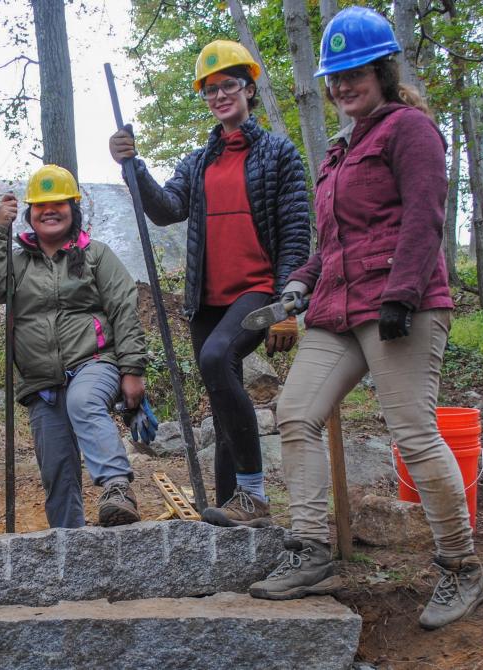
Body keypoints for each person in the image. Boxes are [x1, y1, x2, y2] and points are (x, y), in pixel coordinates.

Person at [247, 7, 483, 630]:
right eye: (333, 76)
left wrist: (402, 295)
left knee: (412, 432)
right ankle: (310, 551)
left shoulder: (410, 130)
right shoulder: (338, 149)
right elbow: (332, 243)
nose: (340, 86)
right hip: (339, 308)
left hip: (400, 307)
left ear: (382, 70)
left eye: (353, 72)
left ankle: (463, 568)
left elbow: (424, 217)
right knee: (294, 413)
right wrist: (300, 283)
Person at [108, 40, 310, 528]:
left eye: (229, 86)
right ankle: (231, 509)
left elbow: (295, 231)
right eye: (210, 89)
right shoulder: (198, 162)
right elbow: (165, 210)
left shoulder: (278, 152)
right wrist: (132, 166)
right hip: (207, 301)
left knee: (218, 358)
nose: (220, 95)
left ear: (249, 89)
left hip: (258, 291)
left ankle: (255, 493)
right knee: (222, 400)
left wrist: (289, 305)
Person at [0, 165, 147, 529]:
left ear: (74, 208)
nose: (49, 211)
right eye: (41, 205)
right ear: (29, 213)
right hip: (41, 381)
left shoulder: (96, 255)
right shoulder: (18, 261)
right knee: (56, 468)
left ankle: (117, 487)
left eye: (59, 203)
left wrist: (132, 370)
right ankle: (68, 542)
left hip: (94, 361)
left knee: (83, 401)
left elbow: (123, 308)